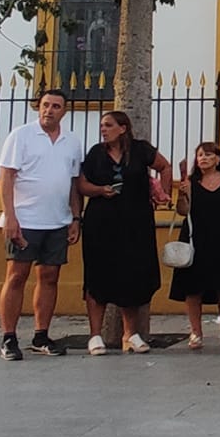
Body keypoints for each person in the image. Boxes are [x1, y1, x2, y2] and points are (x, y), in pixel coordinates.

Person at [0, 88, 85, 361]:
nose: (49, 110)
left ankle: (41, 334)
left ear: (64, 111)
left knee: (49, 277)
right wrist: (10, 216)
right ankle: (9, 337)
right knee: (16, 276)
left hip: (57, 221)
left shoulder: (72, 141)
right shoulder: (21, 135)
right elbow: (6, 176)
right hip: (25, 219)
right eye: (45, 105)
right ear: (38, 107)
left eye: (56, 106)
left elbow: (72, 183)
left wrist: (75, 217)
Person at [76, 109, 170, 355]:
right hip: (101, 223)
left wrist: (162, 194)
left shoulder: (140, 150)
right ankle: (95, 335)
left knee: (133, 275)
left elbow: (164, 167)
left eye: (108, 125)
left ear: (123, 128)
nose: (103, 129)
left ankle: (131, 334)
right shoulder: (96, 153)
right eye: (102, 125)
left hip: (135, 221)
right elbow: (81, 184)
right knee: (98, 275)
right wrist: (98, 190)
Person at [172, 141, 220, 348]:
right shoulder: (191, 181)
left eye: (207, 154)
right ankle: (195, 332)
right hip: (196, 236)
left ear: (218, 158)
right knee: (193, 287)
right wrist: (182, 194)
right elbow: (182, 211)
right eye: (199, 155)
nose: (203, 158)